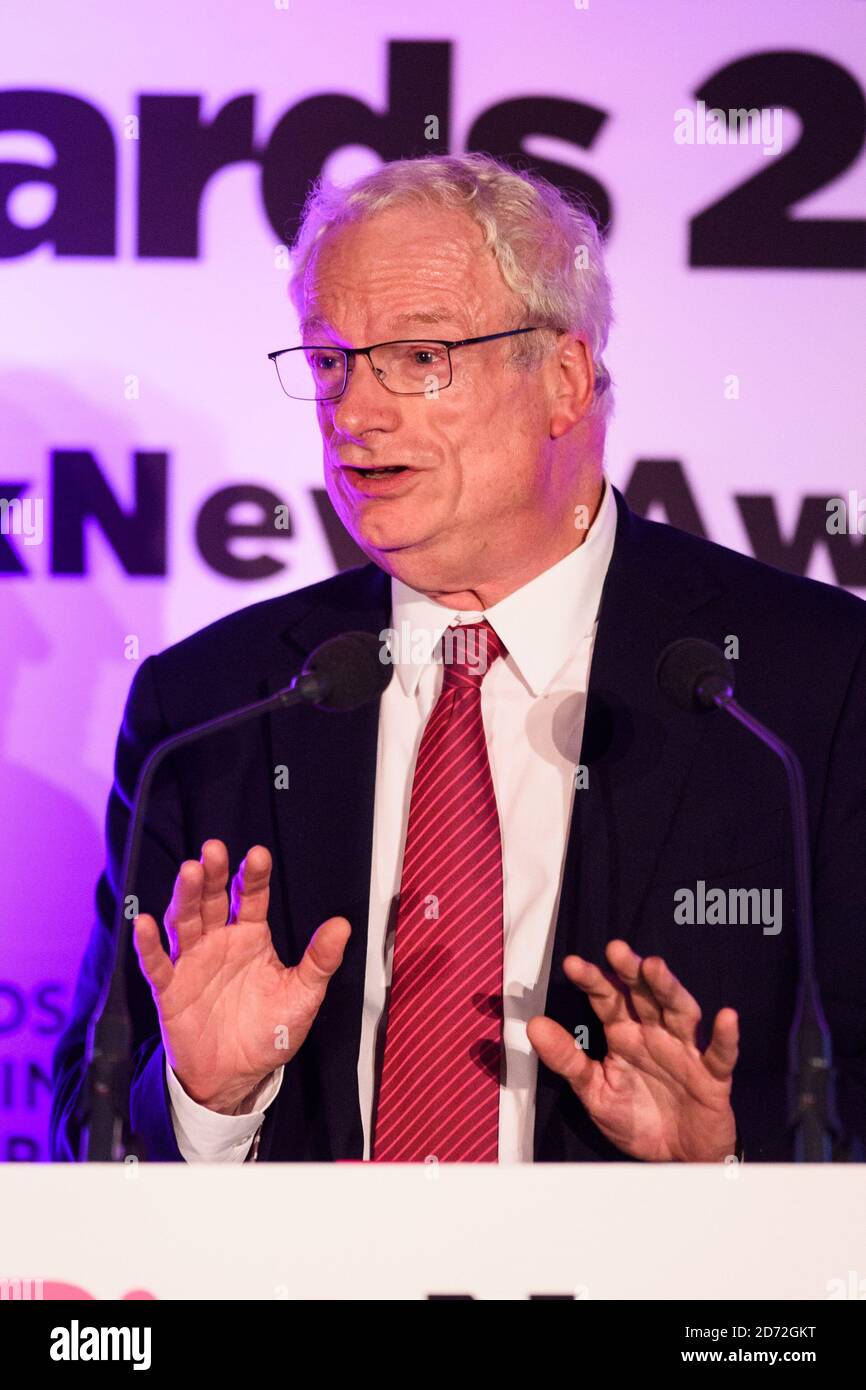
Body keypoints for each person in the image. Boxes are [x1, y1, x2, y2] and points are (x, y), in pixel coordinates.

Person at [52, 153, 866, 1164]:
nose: (353, 414)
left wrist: (726, 1180)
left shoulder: (808, 688)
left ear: (561, 379)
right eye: (329, 363)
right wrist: (205, 1100)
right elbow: (82, 1132)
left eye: (418, 356)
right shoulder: (210, 709)